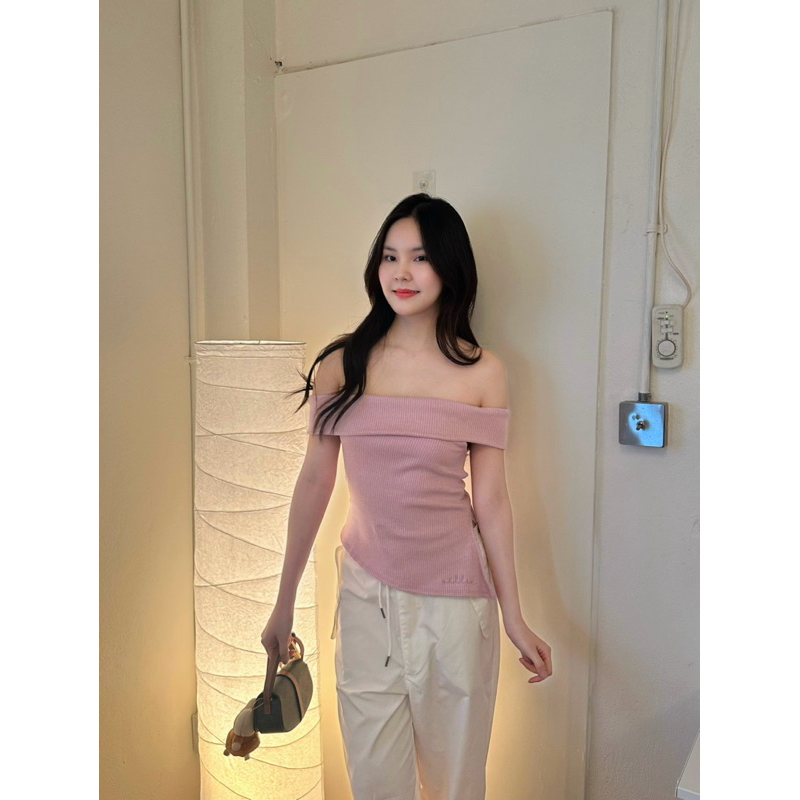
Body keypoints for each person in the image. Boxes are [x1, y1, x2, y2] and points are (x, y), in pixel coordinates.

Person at [261, 193, 552, 800]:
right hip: (365, 598)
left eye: (419, 258)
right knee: (375, 783)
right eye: (390, 257)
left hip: (457, 605)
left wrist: (514, 615)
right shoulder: (342, 367)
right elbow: (314, 483)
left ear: (449, 266)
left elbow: (492, 502)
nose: (401, 272)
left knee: (454, 785)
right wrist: (282, 603)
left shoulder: (484, 373)